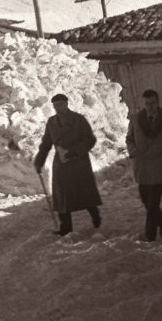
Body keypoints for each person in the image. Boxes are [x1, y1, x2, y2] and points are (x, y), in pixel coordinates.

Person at [33, 93, 102, 236]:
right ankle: (65, 228)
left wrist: (74, 152)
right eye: (55, 106)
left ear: (66, 104)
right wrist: (39, 161)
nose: (58, 108)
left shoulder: (78, 119)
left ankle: (95, 214)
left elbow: (90, 140)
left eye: (60, 105)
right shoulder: (52, 122)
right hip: (61, 163)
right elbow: (46, 143)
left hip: (78, 162)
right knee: (61, 195)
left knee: (84, 192)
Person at [126, 89, 162, 241]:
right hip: (142, 166)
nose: (149, 106)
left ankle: (150, 235)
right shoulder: (136, 119)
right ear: (143, 103)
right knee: (145, 200)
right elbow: (129, 139)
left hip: (160, 166)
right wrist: (134, 152)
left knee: (152, 204)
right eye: (146, 103)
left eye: (152, 103)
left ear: (157, 103)